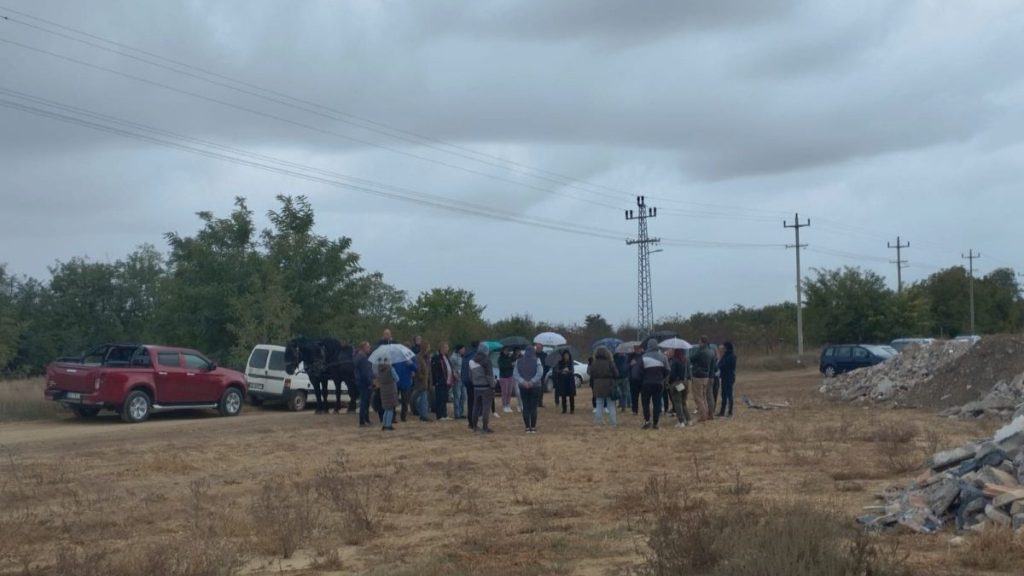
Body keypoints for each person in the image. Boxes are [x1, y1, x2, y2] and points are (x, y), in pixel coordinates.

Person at [640, 338, 669, 430]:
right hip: (658, 383)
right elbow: (668, 370)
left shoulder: (643, 357)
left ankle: (647, 421)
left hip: (646, 383)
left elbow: (639, 371)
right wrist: (662, 377)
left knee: (645, 402)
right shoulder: (663, 357)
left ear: (648, 346)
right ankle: (655, 423)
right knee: (657, 403)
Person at [514, 345, 543, 433]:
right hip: (535, 386)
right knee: (533, 407)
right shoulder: (537, 360)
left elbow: (515, 374)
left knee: (525, 406)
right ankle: (533, 427)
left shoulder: (518, 361)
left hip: (523, 387)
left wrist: (523, 382)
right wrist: (532, 382)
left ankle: (527, 427)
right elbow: (540, 373)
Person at [588, 346, 618, 427]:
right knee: (611, 405)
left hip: (597, 384)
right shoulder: (610, 362)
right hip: (609, 384)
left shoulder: (594, 363)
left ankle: (598, 423)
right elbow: (616, 373)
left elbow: (591, 373)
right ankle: (613, 423)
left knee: (599, 404)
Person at [469, 343, 496, 433]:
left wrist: (475, 383)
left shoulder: (471, 361)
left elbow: (470, 376)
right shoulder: (486, 361)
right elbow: (489, 376)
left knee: (475, 407)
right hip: (486, 387)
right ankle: (485, 427)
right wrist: (492, 386)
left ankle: (474, 427)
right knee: (486, 408)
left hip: (476, 387)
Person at [690, 336, 716, 422]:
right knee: (704, 396)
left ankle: (703, 415)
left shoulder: (701, 351)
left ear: (702, 342)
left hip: (698, 375)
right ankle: (708, 414)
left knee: (698, 397)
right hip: (706, 376)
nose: (698, 343)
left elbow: (692, 359)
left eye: (699, 341)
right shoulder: (711, 352)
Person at [667, 348, 691, 428]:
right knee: (683, 402)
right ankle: (689, 420)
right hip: (685, 382)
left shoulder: (675, 361)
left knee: (677, 402)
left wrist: (670, 382)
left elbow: (672, 375)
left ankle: (681, 421)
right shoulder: (686, 360)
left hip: (677, 383)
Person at [375, 359, 400, 431]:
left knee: (386, 408)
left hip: (383, 390)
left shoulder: (379, 369)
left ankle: (384, 424)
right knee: (390, 408)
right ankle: (388, 425)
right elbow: (397, 379)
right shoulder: (391, 369)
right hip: (391, 390)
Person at [431, 342, 454, 420]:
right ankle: (440, 415)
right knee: (439, 399)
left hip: (447, 381)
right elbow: (435, 370)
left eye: (447, 347)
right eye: (446, 347)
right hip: (440, 382)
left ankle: (444, 414)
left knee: (444, 398)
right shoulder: (436, 357)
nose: (447, 349)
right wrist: (437, 380)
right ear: (441, 348)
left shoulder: (446, 357)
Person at [354, 341, 374, 427]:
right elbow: (365, 372)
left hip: (361, 382)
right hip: (364, 383)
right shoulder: (362, 358)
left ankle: (366, 419)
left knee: (365, 401)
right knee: (364, 402)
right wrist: (369, 382)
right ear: (363, 348)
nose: (369, 348)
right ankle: (362, 421)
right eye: (368, 347)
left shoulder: (359, 356)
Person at [412, 343, 433, 422]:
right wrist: (422, 377)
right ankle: (424, 415)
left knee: (423, 398)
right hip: (421, 381)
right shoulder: (418, 357)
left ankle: (423, 414)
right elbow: (417, 369)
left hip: (426, 381)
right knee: (423, 399)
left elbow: (429, 370)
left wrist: (429, 381)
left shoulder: (427, 357)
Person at [717, 341, 737, 418]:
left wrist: (720, 362)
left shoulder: (730, 356)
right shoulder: (728, 355)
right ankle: (722, 411)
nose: (723, 349)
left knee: (728, 395)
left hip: (728, 377)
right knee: (724, 395)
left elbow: (722, 366)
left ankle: (729, 412)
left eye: (724, 347)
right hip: (726, 377)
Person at [394, 354, 416, 422]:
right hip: (397, 383)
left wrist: (411, 363)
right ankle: (393, 417)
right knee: (394, 401)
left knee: (405, 401)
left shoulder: (410, 358)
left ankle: (403, 417)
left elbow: (415, 368)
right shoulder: (396, 358)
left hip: (405, 383)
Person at [554, 349, 576, 414]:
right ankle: (564, 409)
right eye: (565, 355)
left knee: (571, 395)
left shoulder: (571, 362)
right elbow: (557, 370)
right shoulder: (559, 362)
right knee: (563, 395)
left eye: (567, 355)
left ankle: (572, 409)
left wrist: (568, 371)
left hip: (570, 380)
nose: (566, 356)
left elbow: (572, 370)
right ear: (563, 356)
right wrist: (562, 371)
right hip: (563, 380)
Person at [462, 341, 477, 429]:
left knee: (470, 402)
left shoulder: (466, 355)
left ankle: (470, 421)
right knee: (475, 402)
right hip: (474, 382)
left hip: (466, 381)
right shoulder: (475, 355)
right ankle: (474, 422)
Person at [497, 347, 516, 413]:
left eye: (507, 350)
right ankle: (504, 405)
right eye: (505, 350)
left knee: (509, 392)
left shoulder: (509, 358)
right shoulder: (500, 358)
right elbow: (502, 367)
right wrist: (510, 365)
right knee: (504, 392)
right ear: (502, 351)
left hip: (510, 376)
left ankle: (508, 405)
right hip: (503, 377)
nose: (506, 351)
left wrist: (512, 365)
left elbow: (512, 365)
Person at [450, 344, 466, 419]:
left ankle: (461, 412)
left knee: (463, 396)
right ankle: (457, 413)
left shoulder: (462, 357)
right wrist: (454, 374)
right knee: (457, 396)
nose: (464, 350)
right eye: (463, 349)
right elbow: (451, 367)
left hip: (463, 378)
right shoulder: (453, 357)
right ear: (459, 349)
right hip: (457, 379)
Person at [628, 344, 644, 416]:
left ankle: (645, 409)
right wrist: (630, 364)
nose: (636, 349)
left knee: (644, 396)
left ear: (641, 348)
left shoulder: (644, 356)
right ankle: (634, 410)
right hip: (633, 379)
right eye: (635, 348)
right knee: (634, 396)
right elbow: (626, 367)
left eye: (638, 348)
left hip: (643, 379)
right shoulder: (630, 356)